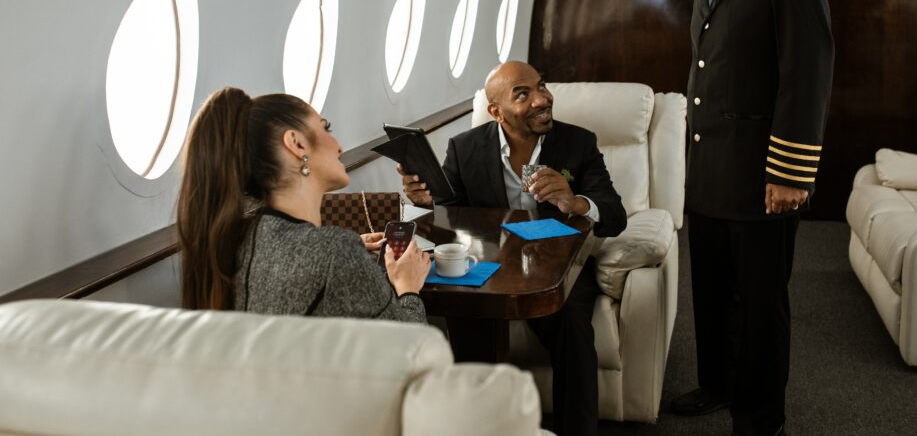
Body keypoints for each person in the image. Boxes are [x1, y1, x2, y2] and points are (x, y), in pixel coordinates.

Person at [650, 0, 834, 436]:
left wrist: (790, 173)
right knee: (713, 290)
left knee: (759, 304)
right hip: (710, 168)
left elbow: (807, 73)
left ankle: (759, 417)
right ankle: (718, 384)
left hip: (762, 173)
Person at [399, 60, 627, 436]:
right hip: (488, 267)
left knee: (572, 328)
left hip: (559, 267)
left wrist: (577, 202)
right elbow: (448, 217)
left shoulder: (578, 143)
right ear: (496, 112)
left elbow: (616, 215)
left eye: (541, 86)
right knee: (465, 315)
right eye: (523, 94)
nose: (541, 99)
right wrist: (424, 202)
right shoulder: (464, 149)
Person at [176, 86, 431, 322]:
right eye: (326, 128)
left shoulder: (238, 236)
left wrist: (351, 249)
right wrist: (408, 286)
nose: (339, 146)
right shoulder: (335, 253)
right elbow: (409, 354)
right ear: (297, 144)